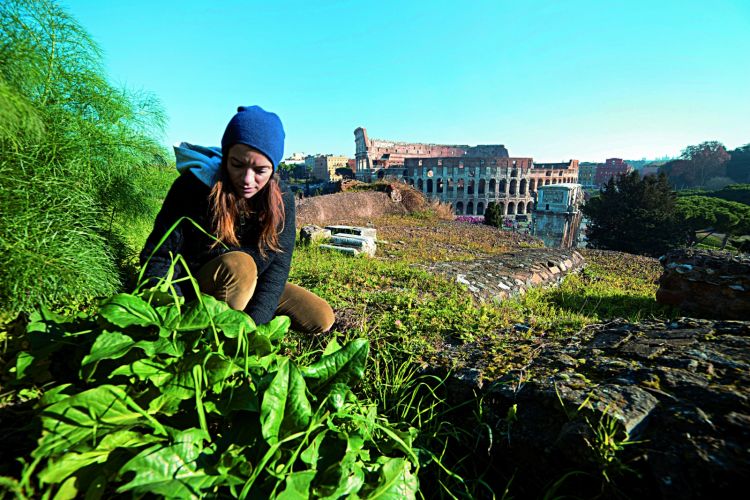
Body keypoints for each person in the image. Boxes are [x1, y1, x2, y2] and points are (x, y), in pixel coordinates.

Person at [140, 105, 334, 334]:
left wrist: (252, 328)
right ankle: (213, 334)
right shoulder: (192, 187)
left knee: (320, 316)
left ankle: (236, 328)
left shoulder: (282, 199)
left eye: (260, 170)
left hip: (250, 284)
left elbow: (277, 268)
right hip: (196, 287)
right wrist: (175, 316)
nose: (247, 179)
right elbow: (158, 257)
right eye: (237, 165)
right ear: (226, 157)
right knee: (240, 266)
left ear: (273, 169)